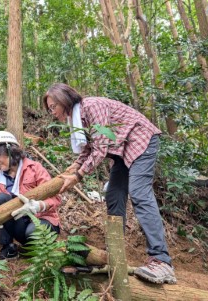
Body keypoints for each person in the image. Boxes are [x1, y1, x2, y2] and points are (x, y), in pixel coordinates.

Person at [43, 83, 176, 284]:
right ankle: (115, 255)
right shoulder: (78, 119)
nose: (52, 112)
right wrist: (74, 168)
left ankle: (162, 261)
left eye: (53, 106)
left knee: (139, 193)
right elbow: (89, 149)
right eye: (49, 108)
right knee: (114, 196)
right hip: (123, 153)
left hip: (142, 141)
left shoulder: (91, 106)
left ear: (64, 100)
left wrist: (78, 176)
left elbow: (100, 148)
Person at [0, 131, 61, 259]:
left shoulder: (35, 168)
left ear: (11, 151)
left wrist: (40, 205)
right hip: (21, 224)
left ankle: (38, 251)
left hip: (43, 221)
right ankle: (8, 248)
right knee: (1, 199)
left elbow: (56, 198)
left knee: (33, 232)